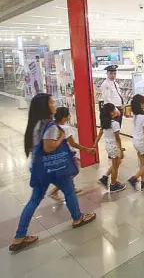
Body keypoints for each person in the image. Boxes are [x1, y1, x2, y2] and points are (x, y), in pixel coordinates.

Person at [9, 94, 96, 253]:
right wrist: (62, 135)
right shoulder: (50, 126)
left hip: (41, 168)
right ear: (45, 107)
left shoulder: (35, 125)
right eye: (51, 102)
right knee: (69, 191)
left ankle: (19, 235)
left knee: (34, 200)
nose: (54, 104)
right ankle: (78, 218)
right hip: (56, 167)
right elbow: (49, 147)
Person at [48, 107, 96, 201]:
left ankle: (71, 188)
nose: (70, 116)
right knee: (74, 171)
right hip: (67, 154)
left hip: (58, 154)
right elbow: (73, 143)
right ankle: (55, 191)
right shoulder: (66, 128)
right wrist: (87, 150)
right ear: (64, 117)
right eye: (68, 114)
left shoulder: (53, 126)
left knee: (68, 172)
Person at [94, 103, 126, 193]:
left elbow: (99, 135)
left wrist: (94, 145)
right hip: (115, 147)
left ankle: (105, 177)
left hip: (108, 147)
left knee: (118, 162)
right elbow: (117, 138)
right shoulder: (115, 124)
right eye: (114, 110)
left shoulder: (105, 124)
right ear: (111, 112)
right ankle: (113, 185)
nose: (116, 111)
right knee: (116, 167)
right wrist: (121, 150)